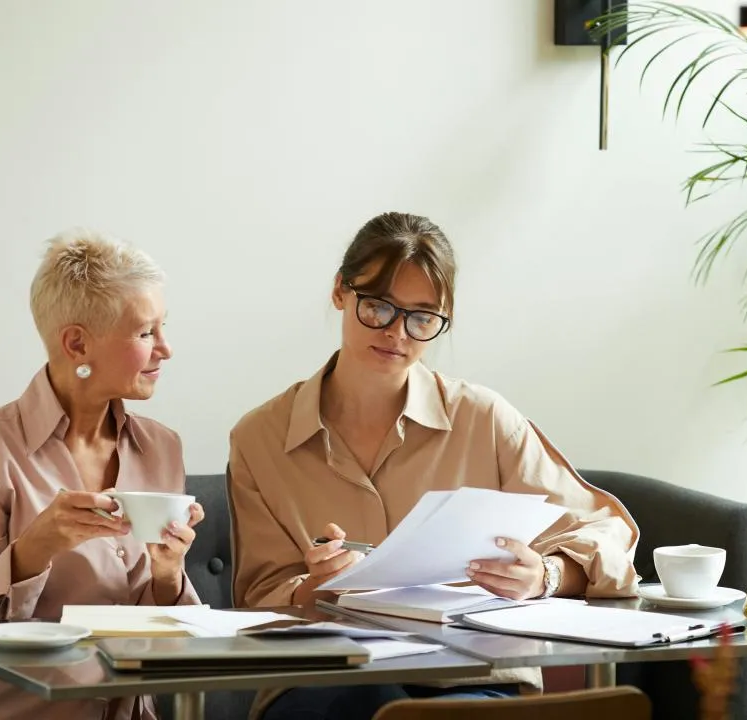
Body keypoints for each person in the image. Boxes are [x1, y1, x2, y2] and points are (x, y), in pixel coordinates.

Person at [227, 211, 641, 720]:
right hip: (324, 681)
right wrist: (314, 588)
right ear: (340, 291)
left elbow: (606, 532)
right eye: (378, 306)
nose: (397, 333)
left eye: (422, 318)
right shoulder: (260, 438)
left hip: (471, 679)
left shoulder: (485, 420)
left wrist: (546, 575)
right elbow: (255, 600)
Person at [0, 228, 205, 720]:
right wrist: (36, 548)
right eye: (145, 333)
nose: (166, 348)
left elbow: (163, 636)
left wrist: (168, 572)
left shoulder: (163, 448)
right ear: (76, 343)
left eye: (163, 328)